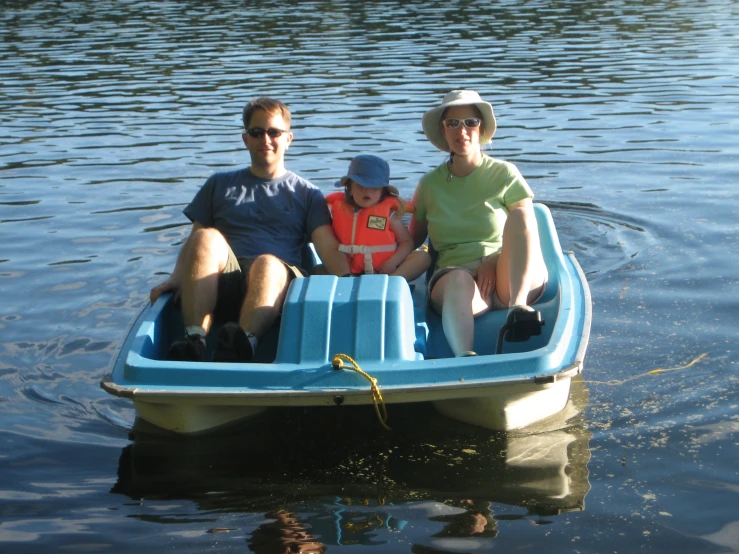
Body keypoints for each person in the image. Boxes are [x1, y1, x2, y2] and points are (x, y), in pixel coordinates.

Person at [149, 97, 350, 363]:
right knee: (207, 236)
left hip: (278, 284)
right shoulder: (219, 184)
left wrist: (357, 281)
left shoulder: (307, 193)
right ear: (246, 139)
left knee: (267, 263)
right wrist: (176, 278)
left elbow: (326, 248)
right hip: (224, 281)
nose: (265, 139)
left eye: (274, 132)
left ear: (288, 138)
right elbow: (195, 242)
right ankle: (194, 340)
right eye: (257, 132)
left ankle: (243, 344)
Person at [409, 90, 548, 357]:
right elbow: (411, 240)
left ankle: (518, 310)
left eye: (470, 122)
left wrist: (493, 261)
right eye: (453, 123)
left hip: (508, 275)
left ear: (481, 127)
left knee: (520, 214)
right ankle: (465, 356)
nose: (462, 131)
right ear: (443, 129)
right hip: (459, 282)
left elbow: (527, 227)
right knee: (458, 278)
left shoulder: (504, 173)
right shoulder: (428, 185)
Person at [326, 154, 430, 280]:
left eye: (374, 187)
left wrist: (393, 262)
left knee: (423, 257)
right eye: (361, 186)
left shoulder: (389, 215)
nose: (368, 191)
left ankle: (391, 283)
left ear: (382, 191)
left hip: (386, 272)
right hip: (347, 272)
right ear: (350, 188)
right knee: (317, 270)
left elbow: (407, 242)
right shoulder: (336, 209)